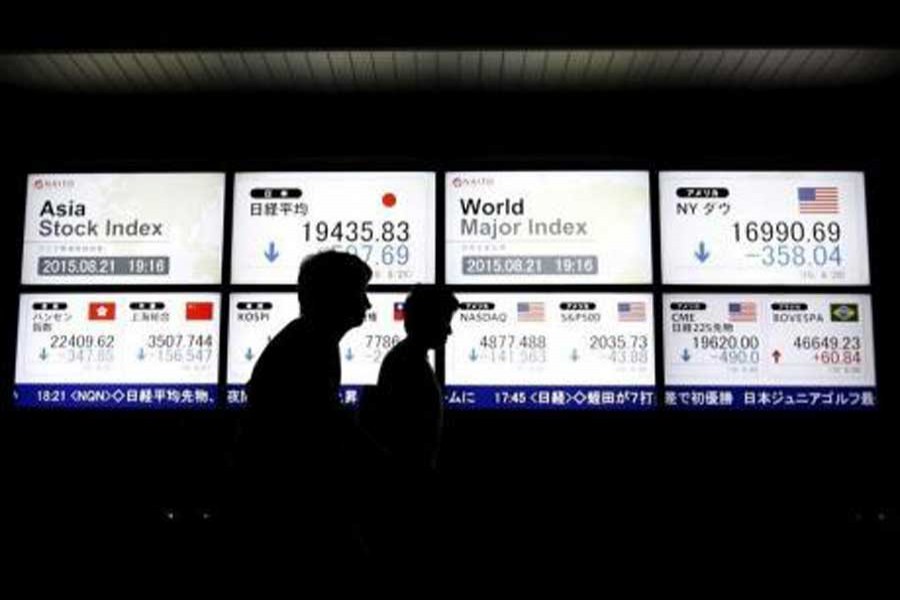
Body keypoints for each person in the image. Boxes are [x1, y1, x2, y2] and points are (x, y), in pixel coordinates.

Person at [235, 250, 380, 564]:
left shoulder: (305, 340)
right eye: (360, 293)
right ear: (335, 296)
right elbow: (319, 429)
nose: (367, 304)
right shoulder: (311, 347)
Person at [358, 285, 460, 559]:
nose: (449, 331)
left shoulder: (404, 359)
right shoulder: (410, 365)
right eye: (445, 321)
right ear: (428, 320)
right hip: (408, 485)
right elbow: (407, 433)